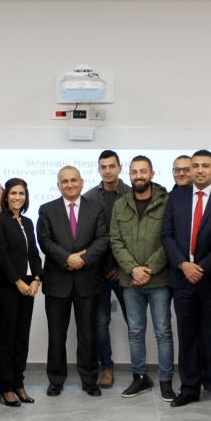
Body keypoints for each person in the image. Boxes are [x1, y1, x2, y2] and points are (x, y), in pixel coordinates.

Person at [161, 149, 211, 408]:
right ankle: (189, 388)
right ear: (189, 170)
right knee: (187, 336)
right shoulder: (176, 197)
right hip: (181, 280)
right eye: (195, 166)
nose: (200, 170)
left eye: (205, 165)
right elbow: (166, 235)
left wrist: (200, 267)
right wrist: (183, 264)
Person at [37, 165, 109, 397]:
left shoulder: (96, 208)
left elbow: (103, 239)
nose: (69, 184)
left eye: (73, 180)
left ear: (81, 182)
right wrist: (67, 258)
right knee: (56, 335)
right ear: (58, 185)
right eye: (64, 181)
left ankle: (89, 380)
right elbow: (45, 241)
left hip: (88, 281)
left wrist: (84, 260)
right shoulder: (46, 209)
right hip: (58, 281)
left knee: (87, 334)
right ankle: (56, 379)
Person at [109, 155, 175, 401]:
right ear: (129, 175)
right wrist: (133, 269)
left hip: (158, 281)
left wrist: (148, 269)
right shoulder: (120, 204)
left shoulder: (167, 202)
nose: (139, 176)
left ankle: (166, 381)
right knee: (135, 331)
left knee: (163, 332)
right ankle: (140, 378)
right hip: (130, 281)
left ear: (152, 173)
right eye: (135, 172)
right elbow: (115, 240)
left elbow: (170, 237)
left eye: (143, 171)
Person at [0, 178, 43, 406]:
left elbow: (34, 254)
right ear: (6, 196)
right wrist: (17, 281)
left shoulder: (28, 222)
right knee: (7, 338)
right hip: (7, 288)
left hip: (28, 286)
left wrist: (37, 278)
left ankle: (19, 384)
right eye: (13, 193)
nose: (17, 197)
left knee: (22, 338)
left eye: (21, 193)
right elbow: (0, 256)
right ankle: (6, 387)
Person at [84, 149, 131, 388]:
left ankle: (139, 369)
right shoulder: (90, 197)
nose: (108, 170)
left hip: (126, 272)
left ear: (120, 167)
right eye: (103, 167)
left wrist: (124, 268)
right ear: (99, 169)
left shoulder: (132, 195)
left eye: (112, 166)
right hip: (98, 273)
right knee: (100, 323)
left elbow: (136, 237)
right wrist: (100, 267)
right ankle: (107, 368)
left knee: (134, 322)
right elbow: (87, 237)